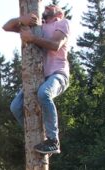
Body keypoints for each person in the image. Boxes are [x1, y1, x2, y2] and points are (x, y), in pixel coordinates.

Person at [4, 5, 71, 155]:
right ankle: (34, 137)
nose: (48, 5)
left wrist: (33, 38)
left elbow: (55, 45)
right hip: (39, 76)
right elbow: (6, 27)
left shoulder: (62, 23)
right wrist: (21, 19)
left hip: (57, 73)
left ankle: (53, 140)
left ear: (60, 13)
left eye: (53, 5)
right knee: (15, 106)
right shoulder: (38, 26)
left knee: (44, 93)